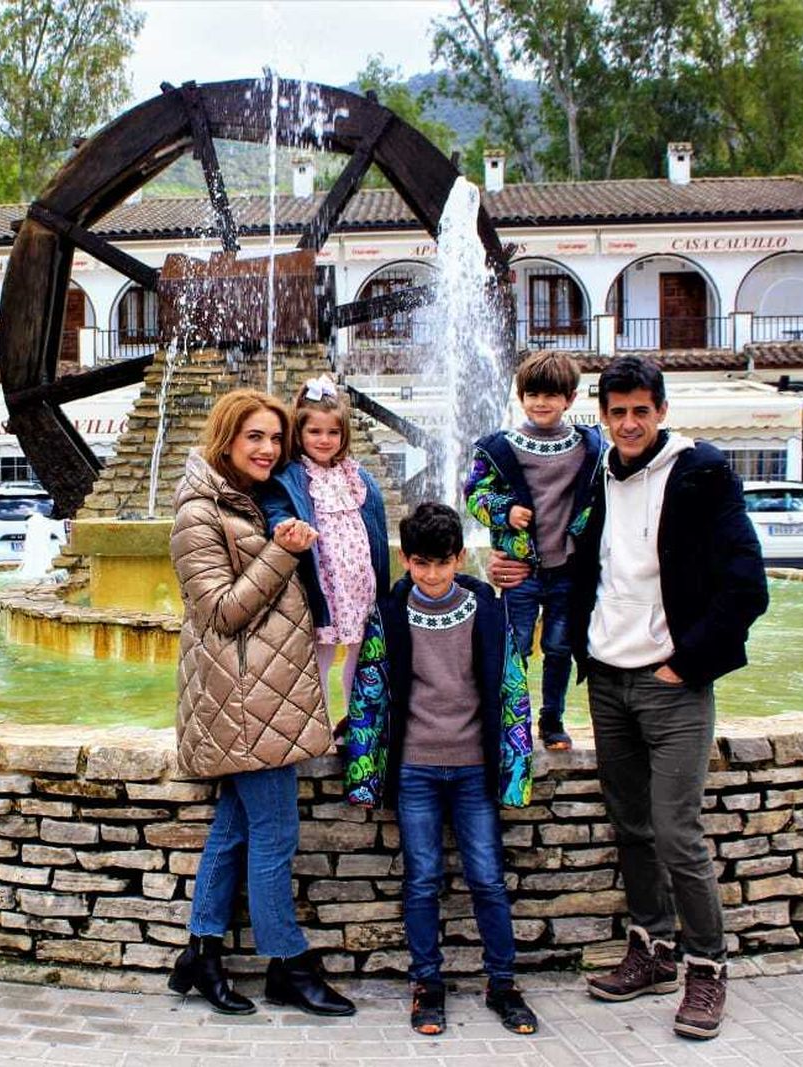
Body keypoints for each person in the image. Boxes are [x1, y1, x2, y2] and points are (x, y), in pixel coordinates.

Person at [490, 356, 768, 1042]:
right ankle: (652, 947)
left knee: (676, 831)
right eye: (617, 412)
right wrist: (507, 561)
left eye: (641, 410)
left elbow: (746, 585)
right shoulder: (599, 473)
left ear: (662, 410)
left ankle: (707, 965)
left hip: (673, 683)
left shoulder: (701, 472)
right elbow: (568, 554)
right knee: (632, 826)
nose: (629, 422)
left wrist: (689, 661)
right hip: (608, 680)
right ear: (603, 415)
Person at [167, 388, 355, 1018]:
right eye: (255, 437)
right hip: (245, 702)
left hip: (258, 697)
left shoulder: (245, 500)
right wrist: (283, 551)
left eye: (276, 438)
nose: (270, 449)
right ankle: (290, 964)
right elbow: (220, 611)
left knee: (234, 830)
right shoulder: (197, 514)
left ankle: (201, 952)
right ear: (227, 438)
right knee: (275, 833)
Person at [381, 502, 537, 1038]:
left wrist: (517, 770)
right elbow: (371, 691)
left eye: (442, 563)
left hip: (474, 769)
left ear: (459, 558)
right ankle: (427, 984)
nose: (431, 575)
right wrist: (364, 765)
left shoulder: (486, 609)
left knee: (488, 880)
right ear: (406, 559)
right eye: (421, 564)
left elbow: (514, 688)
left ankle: (503, 983)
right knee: (422, 880)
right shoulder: (389, 612)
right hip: (415, 769)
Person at [464, 349, 603, 751]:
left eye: (551, 395)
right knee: (517, 645)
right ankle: (514, 717)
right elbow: (474, 493)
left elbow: (598, 498)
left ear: (569, 399)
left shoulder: (588, 447)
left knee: (560, 647)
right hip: (520, 570)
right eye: (532, 394)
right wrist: (505, 512)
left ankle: (552, 719)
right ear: (520, 396)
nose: (541, 403)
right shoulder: (501, 446)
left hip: (566, 570)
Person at [258, 374, 391, 712]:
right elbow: (275, 508)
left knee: (362, 657)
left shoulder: (356, 476)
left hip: (359, 584)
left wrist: (382, 584)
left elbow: (375, 528)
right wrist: (282, 527)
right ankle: (320, 723)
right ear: (299, 434)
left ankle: (356, 720)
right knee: (323, 655)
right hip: (326, 584)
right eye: (315, 432)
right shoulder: (293, 476)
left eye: (333, 432)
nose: (324, 439)